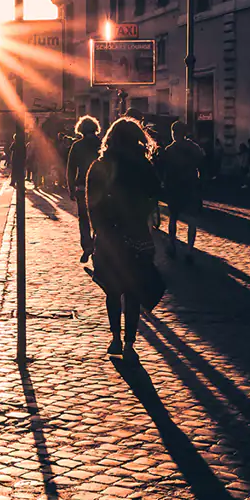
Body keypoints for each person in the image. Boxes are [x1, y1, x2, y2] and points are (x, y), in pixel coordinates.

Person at [86, 117, 164, 362]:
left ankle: (115, 338)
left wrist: (97, 231)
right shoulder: (143, 165)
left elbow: (92, 203)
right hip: (137, 234)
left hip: (109, 236)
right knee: (132, 291)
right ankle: (130, 343)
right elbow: (155, 193)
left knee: (112, 290)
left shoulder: (100, 165)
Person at [156, 121, 205, 263]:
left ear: (173, 133)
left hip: (174, 187)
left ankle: (172, 244)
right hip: (191, 185)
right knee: (192, 220)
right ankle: (189, 249)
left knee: (173, 217)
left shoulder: (169, 150)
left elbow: (162, 168)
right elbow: (202, 164)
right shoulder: (194, 148)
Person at [66, 116, 102, 262]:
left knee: (84, 219)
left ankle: (87, 245)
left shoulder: (77, 146)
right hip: (100, 186)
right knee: (100, 217)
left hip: (82, 186)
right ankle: (98, 244)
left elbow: (70, 168)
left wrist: (70, 187)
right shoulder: (101, 143)